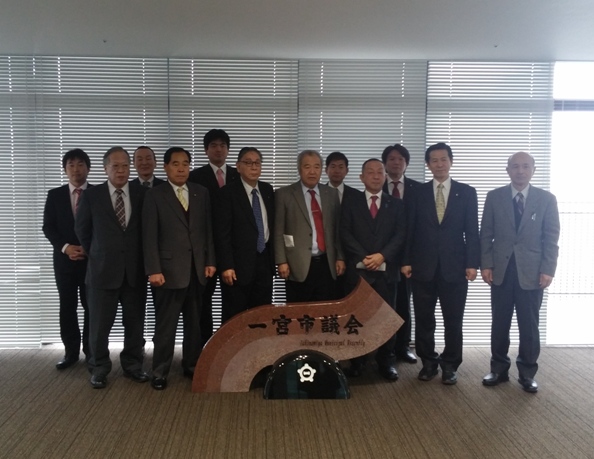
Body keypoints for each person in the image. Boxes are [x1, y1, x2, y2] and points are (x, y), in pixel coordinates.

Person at [480, 151, 560, 393]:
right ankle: (498, 369)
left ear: (533, 170)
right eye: (515, 166)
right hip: (501, 271)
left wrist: (548, 269)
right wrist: (486, 264)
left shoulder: (546, 199)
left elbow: (551, 238)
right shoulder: (494, 197)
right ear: (508, 170)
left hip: (533, 273)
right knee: (499, 323)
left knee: (529, 326)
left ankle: (527, 372)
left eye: (525, 166)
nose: (520, 171)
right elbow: (486, 234)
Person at [401, 142, 480, 385]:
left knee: (453, 320)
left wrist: (472, 263)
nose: (439, 164)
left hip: (455, 267)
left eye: (443, 159)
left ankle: (450, 365)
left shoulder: (467, 192)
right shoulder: (417, 192)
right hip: (422, 267)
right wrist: (406, 261)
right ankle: (428, 362)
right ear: (428, 164)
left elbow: (472, 231)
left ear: (451, 162)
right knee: (424, 319)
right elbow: (409, 229)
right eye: (434, 160)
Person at [143, 147, 216, 390]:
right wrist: (153, 269)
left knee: (194, 325)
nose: (181, 168)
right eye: (175, 164)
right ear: (165, 167)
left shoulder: (200, 192)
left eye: (185, 163)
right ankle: (160, 371)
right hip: (167, 273)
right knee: (166, 326)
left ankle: (191, 365)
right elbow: (149, 236)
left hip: (196, 271)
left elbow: (207, 230)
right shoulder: (155, 195)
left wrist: (210, 261)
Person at [75, 147, 148, 389]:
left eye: (125, 165)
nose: (121, 170)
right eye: (115, 166)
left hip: (134, 272)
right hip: (102, 271)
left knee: (134, 323)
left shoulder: (142, 193)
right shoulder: (92, 195)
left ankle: (133, 365)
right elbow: (82, 230)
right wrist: (99, 252)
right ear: (106, 168)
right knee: (99, 325)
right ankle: (99, 368)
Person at [341, 159, 406, 380]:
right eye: (370, 172)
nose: (376, 176)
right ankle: (357, 361)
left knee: (386, 318)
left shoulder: (396, 204)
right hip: (359, 272)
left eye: (380, 172)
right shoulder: (350, 202)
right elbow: (344, 232)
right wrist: (364, 257)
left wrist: (382, 256)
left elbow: (400, 235)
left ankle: (386, 362)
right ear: (362, 177)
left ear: (385, 176)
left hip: (387, 271)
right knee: (357, 319)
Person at [188, 129, 239, 345]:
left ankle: (229, 346)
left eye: (222, 145)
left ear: (228, 149)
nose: (218, 149)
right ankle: (204, 347)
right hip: (204, 251)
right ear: (205, 150)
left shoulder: (239, 175)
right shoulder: (194, 177)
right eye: (213, 145)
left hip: (232, 252)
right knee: (202, 303)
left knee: (233, 303)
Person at [42, 148, 92, 369]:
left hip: (92, 261)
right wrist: (66, 248)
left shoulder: (98, 193)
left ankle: (91, 352)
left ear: (88, 168)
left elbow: (104, 227)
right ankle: (71, 352)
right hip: (64, 262)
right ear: (65, 169)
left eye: (80, 164)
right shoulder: (55, 195)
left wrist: (88, 248)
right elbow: (48, 227)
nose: (76, 169)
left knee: (92, 307)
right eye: (71, 165)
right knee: (67, 306)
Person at [274, 150, 345, 302]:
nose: (312, 171)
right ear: (299, 169)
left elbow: (337, 230)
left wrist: (340, 257)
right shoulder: (284, 194)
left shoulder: (331, 194)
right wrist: (281, 261)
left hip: (326, 263)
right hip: (296, 264)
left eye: (317, 167)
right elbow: (278, 231)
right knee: (298, 311)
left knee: (324, 310)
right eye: (307, 167)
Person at [214, 147, 275, 323]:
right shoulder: (227, 193)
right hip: (237, 266)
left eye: (257, 163)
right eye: (248, 163)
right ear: (238, 166)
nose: (254, 167)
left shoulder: (267, 190)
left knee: (262, 316)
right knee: (235, 318)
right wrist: (226, 265)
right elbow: (222, 233)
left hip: (264, 262)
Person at [382, 144, 421, 364]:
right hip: (383, 256)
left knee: (405, 303)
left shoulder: (419, 189)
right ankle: (382, 347)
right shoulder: (376, 186)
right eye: (391, 159)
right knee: (384, 304)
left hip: (411, 257)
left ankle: (403, 346)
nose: (396, 162)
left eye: (400, 159)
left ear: (406, 163)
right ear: (385, 163)